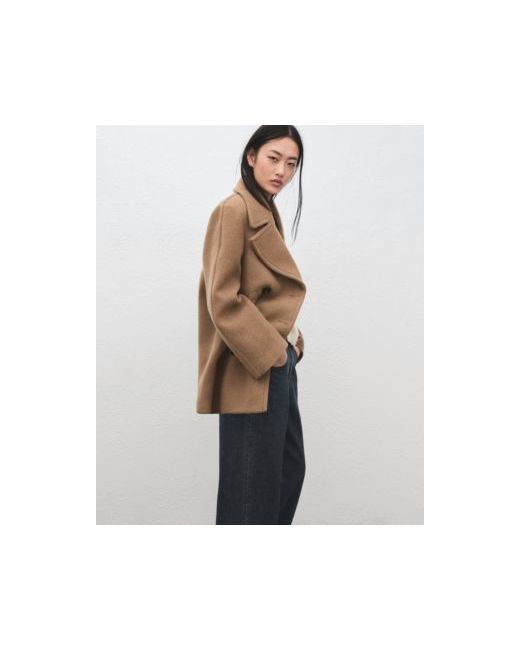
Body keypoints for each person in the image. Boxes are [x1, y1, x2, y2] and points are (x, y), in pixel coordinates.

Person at [197, 125, 308, 524]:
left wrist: (291, 343)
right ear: (251, 156)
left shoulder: (264, 210)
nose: (282, 171)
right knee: (251, 492)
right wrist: (273, 353)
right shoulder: (234, 210)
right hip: (252, 367)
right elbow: (222, 298)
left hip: (276, 365)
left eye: (291, 164)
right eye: (273, 158)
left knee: (287, 472)